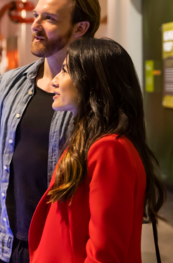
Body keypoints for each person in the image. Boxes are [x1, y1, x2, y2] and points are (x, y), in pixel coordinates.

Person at [0, 0, 102, 263]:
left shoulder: (97, 92)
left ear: (80, 28)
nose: (35, 25)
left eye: (49, 18)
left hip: (63, 249)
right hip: (4, 245)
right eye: (36, 15)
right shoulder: (9, 84)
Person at [29, 38, 166, 262]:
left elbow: (105, 252)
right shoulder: (91, 141)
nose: (54, 80)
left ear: (91, 82)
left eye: (65, 71)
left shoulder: (109, 149)